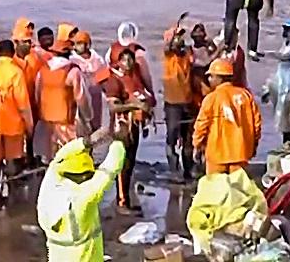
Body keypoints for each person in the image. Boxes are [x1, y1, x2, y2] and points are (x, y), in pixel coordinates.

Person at [36, 120, 129, 262]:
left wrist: (87, 142)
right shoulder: (82, 198)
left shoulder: (52, 182)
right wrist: (119, 142)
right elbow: (109, 171)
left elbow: (61, 156)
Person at [102, 48, 155, 212]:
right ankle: (121, 202)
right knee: (122, 164)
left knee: (130, 163)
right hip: (122, 126)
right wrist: (136, 105)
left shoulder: (135, 75)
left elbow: (145, 94)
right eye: (124, 60)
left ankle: (126, 198)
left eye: (130, 59)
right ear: (118, 62)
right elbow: (113, 107)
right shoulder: (114, 80)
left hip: (135, 126)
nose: (128, 63)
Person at [192, 58, 261, 176]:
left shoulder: (211, 98)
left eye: (211, 76)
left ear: (220, 78)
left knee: (216, 190)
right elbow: (257, 124)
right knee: (238, 190)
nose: (209, 79)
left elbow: (201, 125)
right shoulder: (245, 96)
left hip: (216, 155)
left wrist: (197, 145)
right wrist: (253, 145)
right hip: (240, 152)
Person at [0, 39, 33, 207]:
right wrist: (30, 126)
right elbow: (23, 104)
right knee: (12, 160)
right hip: (14, 125)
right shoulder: (16, 72)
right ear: (12, 52)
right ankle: (12, 195)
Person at [161, 26, 197, 179]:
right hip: (172, 104)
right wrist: (172, 39)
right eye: (177, 37)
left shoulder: (187, 53)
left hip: (188, 102)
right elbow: (167, 47)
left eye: (181, 37)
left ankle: (188, 170)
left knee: (188, 138)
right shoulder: (169, 56)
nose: (180, 40)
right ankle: (174, 171)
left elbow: (197, 61)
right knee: (172, 137)